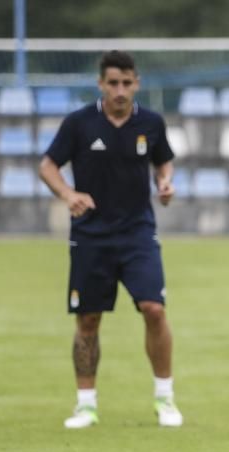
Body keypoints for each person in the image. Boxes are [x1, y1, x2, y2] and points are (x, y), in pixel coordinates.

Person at [40, 50, 183, 429]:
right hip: (90, 235)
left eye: (127, 83)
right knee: (88, 319)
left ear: (136, 83)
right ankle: (85, 404)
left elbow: (162, 161)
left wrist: (164, 182)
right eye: (113, 83)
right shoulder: (79, 123)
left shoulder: (151, 123)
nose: (120, 90)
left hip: (138, 234)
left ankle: (165, 398)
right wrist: (69, 195)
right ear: (101, 84)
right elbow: (47, 165)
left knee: (154, 309)